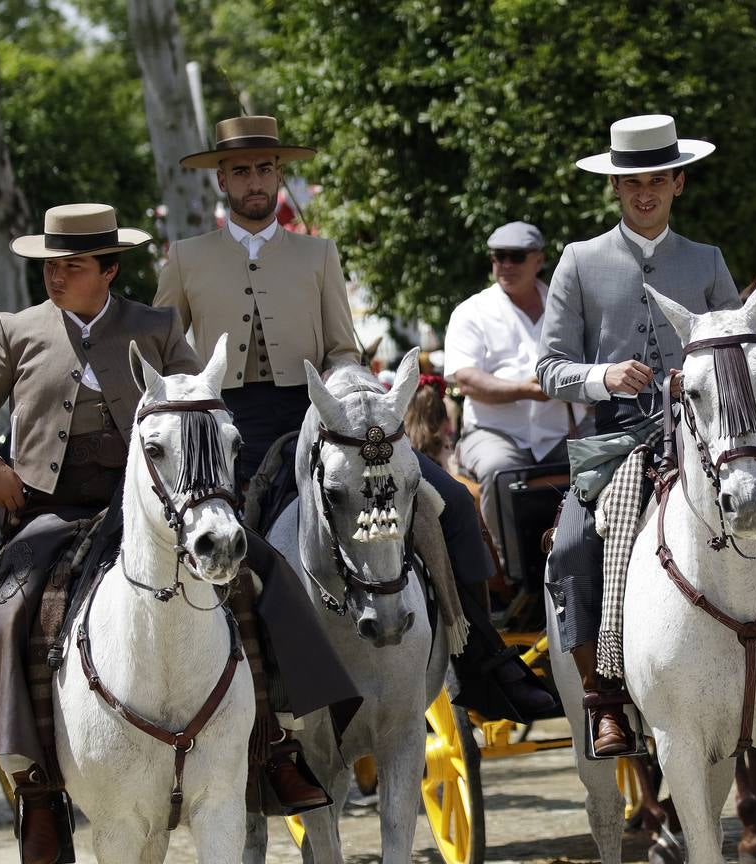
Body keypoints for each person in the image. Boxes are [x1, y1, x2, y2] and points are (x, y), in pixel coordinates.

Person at [0, 204, 357, 864]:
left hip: (159, 506)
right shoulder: (14, 330)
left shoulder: (154, 326)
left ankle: (277, 739)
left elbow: (203, 398)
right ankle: (35, 785)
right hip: (52, 509)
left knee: (264, 571)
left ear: (110, 270)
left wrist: (206, 483)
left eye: (71, 266)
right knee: (7, 612)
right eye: (50, 266)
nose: (55, 277)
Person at [157, 115, 554, 722]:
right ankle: (237, 699)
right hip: (230, 430)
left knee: (445, 499)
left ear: (279, 174)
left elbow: (343, 346)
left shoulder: (317, 253)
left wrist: (353, 395)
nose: (255, 181)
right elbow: (168, 356)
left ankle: (479, 655)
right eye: (241, 170)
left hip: (319, 416)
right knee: (213, 540)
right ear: (222, 179)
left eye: (265, 168)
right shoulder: (185, 259)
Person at [538, 114, 756, 758]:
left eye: (659, 179)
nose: (646, 192)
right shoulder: (578, 263)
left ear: (678, 182)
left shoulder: (707, 261)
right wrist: (604, 376)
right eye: (633, 181)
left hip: (721, 437)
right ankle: (606, 695)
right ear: (615, 187)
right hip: (626, 440)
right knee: (574, 545)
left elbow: (745, 344)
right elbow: (550, 368)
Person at [445, 222, 582, 578]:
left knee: (607, 464)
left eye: (516, 257)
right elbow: (466, 378)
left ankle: (590, 565)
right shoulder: (471, 311)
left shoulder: (568, 304)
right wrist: (526, 389)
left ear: (539, 259)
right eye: (497, 257)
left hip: (561, 434)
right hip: (494, 433)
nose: (505, 264)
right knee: (500, 471)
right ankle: (513, 577)